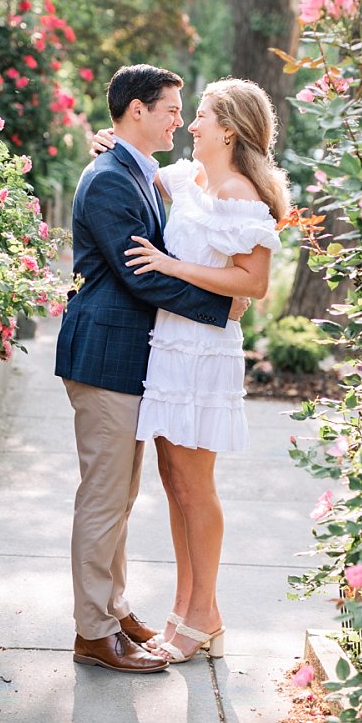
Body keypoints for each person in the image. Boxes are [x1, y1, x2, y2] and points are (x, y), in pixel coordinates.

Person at [56, 64, 246, 674]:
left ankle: (111, 610)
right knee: (104, 499)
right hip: (105, 356)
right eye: (169, 108)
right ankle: (93, 632)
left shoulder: (137, 170)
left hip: (128, 362)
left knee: (120, 495)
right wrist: (223, 306)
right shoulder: (110, 179)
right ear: (135, 110)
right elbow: (141, 277)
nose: (178, 119)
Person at [96, 77, 289, 663]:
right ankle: (188, 610)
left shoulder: (241, 196)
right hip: (170, 348)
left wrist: (170, 267)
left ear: (228, 129)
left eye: (200, 115)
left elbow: (251, 284)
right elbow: (139, 169)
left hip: (204, 354)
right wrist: (109, 143)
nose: (190, 124)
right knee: (174, 482)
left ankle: (202, 614)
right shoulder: (188, 179)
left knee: (194, 486)